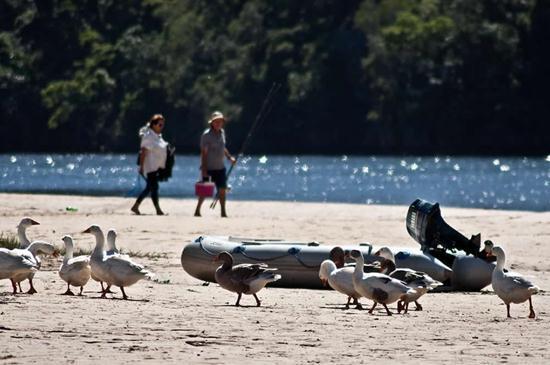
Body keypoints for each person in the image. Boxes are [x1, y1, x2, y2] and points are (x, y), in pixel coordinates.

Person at [194, 111, 236, 217]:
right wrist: (204, 170)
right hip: (209, 168)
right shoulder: (206, 135)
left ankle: (223, 212)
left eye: (220, 121)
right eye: (216, 121)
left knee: (222, 190)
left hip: (220, 168)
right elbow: (204, 154)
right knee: (204, 191)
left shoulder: (222, 133)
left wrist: (229, 157)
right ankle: (197, 210)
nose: (218, 123)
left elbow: (223, 148)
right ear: (212, 123)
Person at [131, 114, 168, 215]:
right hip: (149, 167)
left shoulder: (157, 136)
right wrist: (142, 167)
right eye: (160, 125)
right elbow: (143, 152)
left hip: (155, 166)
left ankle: (136, 206)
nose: (162, 127)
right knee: (154, 187)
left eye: (163, 125)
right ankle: (158, 210)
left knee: (150, 187)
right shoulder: (149, 136)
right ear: (154, 125)